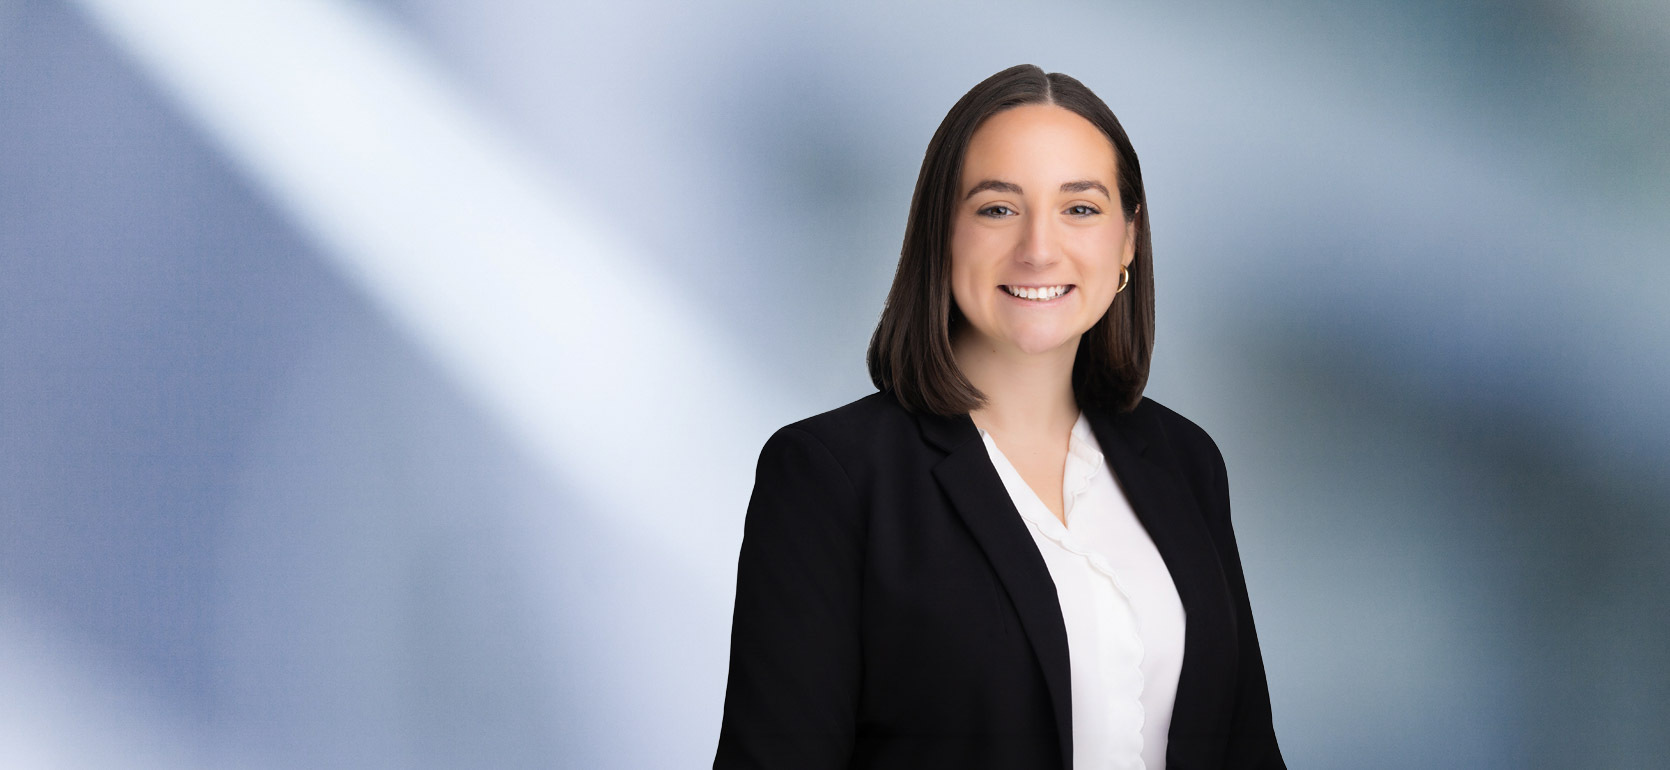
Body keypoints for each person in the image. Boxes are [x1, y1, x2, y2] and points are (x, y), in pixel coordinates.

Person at [714, 63, 1285, 770]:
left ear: (1129, 240)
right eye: (997, 209)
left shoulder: (1185, 461)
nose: (1039, 249)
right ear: (941, 233)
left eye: (1081, 208)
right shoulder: (831, 477)